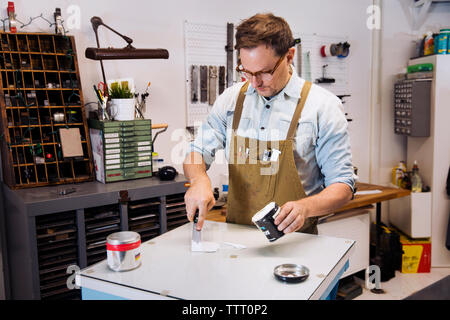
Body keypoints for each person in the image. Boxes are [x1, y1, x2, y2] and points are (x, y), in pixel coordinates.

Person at [183, 13, 355, 237]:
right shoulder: (231, 100)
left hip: (296, 244)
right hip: (238, 243)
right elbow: (196, 151)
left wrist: (305, 207)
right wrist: (198, 179)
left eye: (265, 72)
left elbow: (343, 186)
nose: (254, 82)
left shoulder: (323, 107)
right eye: (246, 71)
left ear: (289, 56)